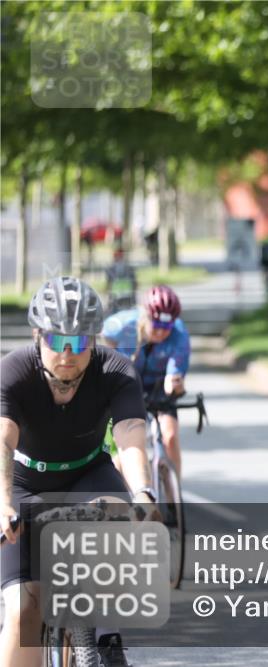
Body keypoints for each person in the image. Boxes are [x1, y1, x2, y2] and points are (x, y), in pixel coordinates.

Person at [1, 276, 156, 667]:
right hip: (23, 483)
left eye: (80, 341)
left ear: (94, 339)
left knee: (116, 522)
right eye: (57, 340)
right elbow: (2, 441)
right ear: (38, 336)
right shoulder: (13, 372)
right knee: (23, 613)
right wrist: (3, 503)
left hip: (88, 474)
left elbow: (131, 437)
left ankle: (105, 639)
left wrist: (144, 494)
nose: (67, 353)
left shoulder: (116, 371)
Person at [101, 285, 190, 479]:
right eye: (157, 326)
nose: (160, 333)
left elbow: (175, 372)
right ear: (145, 316)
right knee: (126, 446)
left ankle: (174, 496)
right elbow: (101, 339)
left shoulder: (179, 333)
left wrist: (175, 383)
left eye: (167, 328)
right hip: (127, 386)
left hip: (159, 388)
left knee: (170, 436)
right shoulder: (122, 325)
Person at [105, 244, 138, 313]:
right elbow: (135, 283)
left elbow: (109, 284)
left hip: (116, 298)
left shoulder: (110, 269)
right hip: (127, 298)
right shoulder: (129, 268)